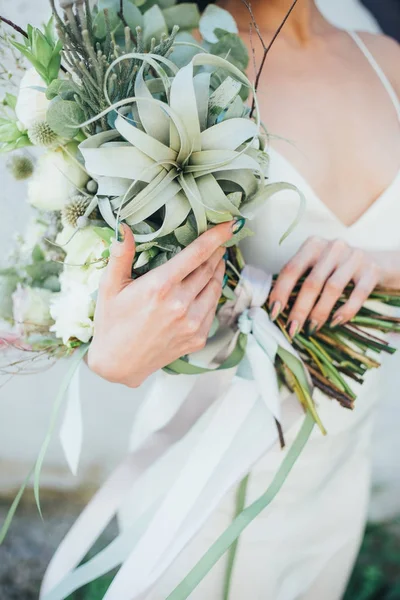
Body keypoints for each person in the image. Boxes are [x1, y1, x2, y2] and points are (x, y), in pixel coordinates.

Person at [48, 1, 400, 598]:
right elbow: (107, 297)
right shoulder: (162, 67)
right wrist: (110, 351)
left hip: (335, 471)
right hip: (199, 485)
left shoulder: (387, 61)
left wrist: (386, 267)